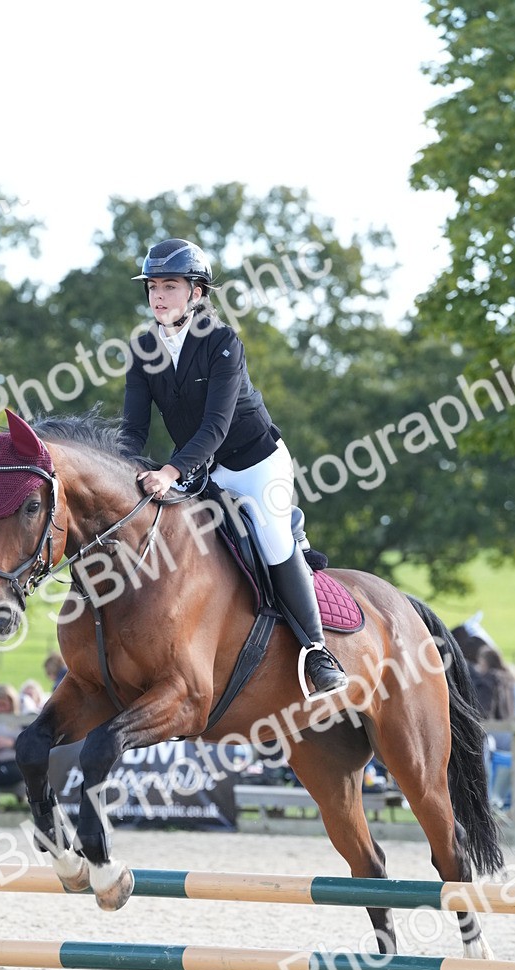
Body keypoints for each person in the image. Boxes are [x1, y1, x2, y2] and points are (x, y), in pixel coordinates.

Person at [120, 237, 347, 697]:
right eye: (152, 288)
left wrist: (170, 472)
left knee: (271, 537)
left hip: (256, 463)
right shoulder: (144, 347)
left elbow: (216, 426)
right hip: (202, 472)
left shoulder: (222, 341)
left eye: (170, 286)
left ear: (197, 292)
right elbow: (133, 428)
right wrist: (120, 471)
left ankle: (317, 652)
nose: (158, 296)